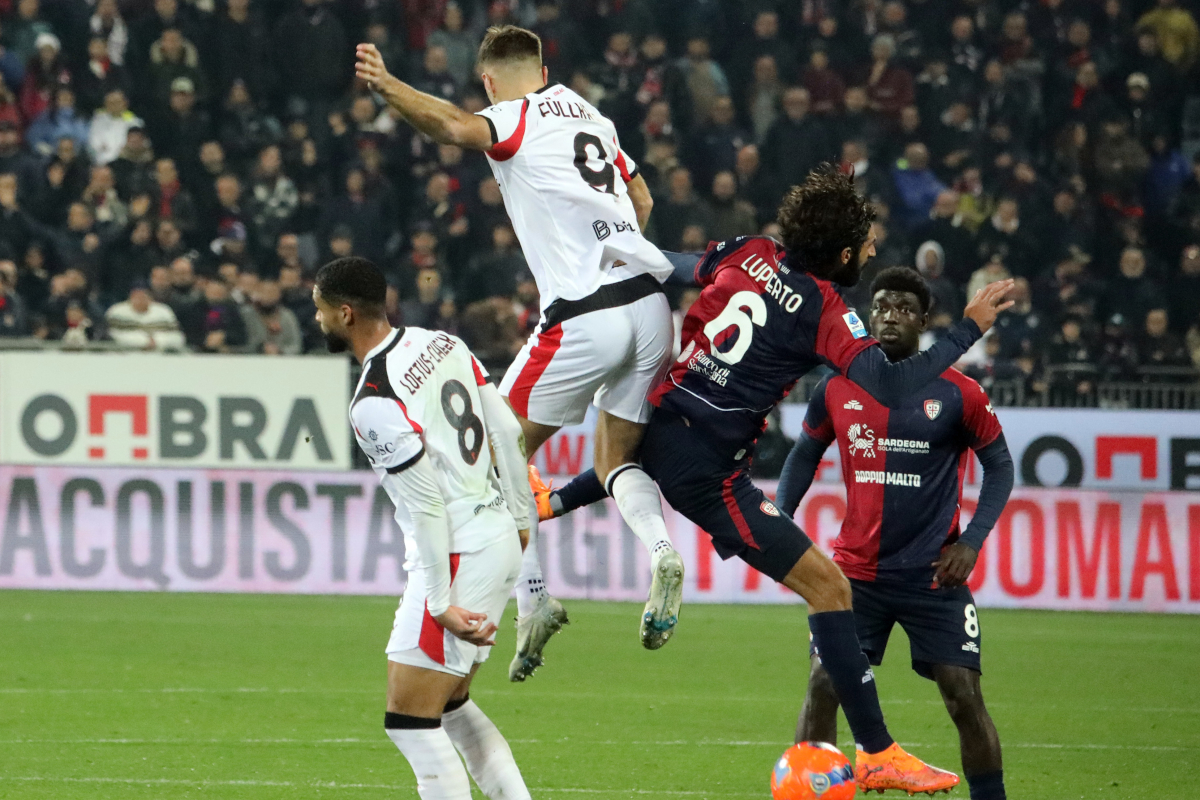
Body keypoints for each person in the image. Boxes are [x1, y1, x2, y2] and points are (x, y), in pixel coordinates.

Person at [533, 168, 1015, 795]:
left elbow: (672, 265)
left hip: (666, 416)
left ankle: (549, 501)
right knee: (830, 589)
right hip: (711, 472)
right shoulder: (827, 310)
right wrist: (969, 327)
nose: (871, 253)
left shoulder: (751, 251)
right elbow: (893, 383)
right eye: (866, 245)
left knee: (630, 459)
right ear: (843, 253)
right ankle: (877, 752)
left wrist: (608, 244)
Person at [356, 25, 686, 677]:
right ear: (542, 69)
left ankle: (531, 599)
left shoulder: (514, 116)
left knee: (483, 457)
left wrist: (388, 86)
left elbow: (454, 129)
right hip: (650, 306)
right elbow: (642, 198)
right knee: (616, 457)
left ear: (488, 82)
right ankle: (661, 550)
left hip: (584, 315)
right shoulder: (594, 117)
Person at [777, 267, 1013, 800]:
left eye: (904, 308)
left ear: (925, 321)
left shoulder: (960, 392)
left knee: (963, 695)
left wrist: (971, 541)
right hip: (854, 577)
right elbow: (803, 453)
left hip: (934, 577)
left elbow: (1000, 467)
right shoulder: (839, 385)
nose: (890, 316)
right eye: (881, 306)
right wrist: (780, 518)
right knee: (822, 685)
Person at [313, 256, 533, 800]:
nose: (315, 320)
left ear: (344, 314)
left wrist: (437, 603)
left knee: (409, 721)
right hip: (495, 534)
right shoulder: (443, 344)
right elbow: (505, 425)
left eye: (318, 310)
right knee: (450, 707)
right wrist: (523, 519)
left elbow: (429, 506)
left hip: (457, 553)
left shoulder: (372, 403)